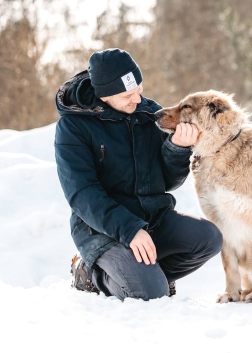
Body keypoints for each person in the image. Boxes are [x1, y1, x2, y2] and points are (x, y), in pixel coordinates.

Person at [54, 48, 223, 301]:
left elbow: (167, 182)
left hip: (153, 219)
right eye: (127, 96)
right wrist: (130, 230)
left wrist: (177, 149)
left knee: (209, 238)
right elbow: (82, 195)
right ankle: (90, 274)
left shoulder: (147, 114)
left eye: (139, 91)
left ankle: (152, 276)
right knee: (150, 294)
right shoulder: (73, 127)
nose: (137, 100)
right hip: (104, 231)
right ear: (104, 95)